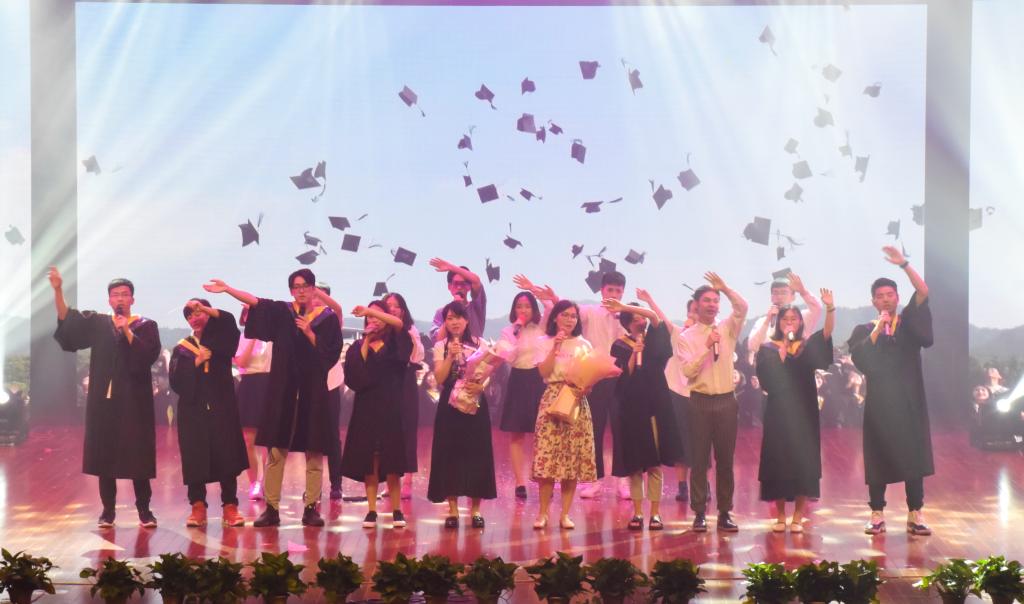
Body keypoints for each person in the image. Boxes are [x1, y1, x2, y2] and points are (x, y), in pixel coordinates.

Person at [203, 269, 343, 527]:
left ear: (313, 289)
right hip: (283, 390)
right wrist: (228, 289)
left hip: (313, 392)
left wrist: (310, 334)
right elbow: (256, 302)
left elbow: (330, 355)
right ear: (291, 290)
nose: (301, 291)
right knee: (276, 451)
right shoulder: (283, 313)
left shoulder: (328, 320)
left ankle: (311, 508)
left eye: (306, 286)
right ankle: (272, 508)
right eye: (296, 286)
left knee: (314, 451)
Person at [49, 268, 161, 528]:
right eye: (115, 294)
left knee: (138, 454)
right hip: (104, 401)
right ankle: (108, 511)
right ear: (109, 300)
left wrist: (127, 331)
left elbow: (147, 357)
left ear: (132, 299)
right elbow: (67, 321)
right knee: (105, 453)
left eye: (125, 294)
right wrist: (58, 290)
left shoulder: (147, 326)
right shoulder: (99, 323)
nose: (120, 298)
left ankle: (144, 510)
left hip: (135, 401)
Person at [848, 246, 934, 536]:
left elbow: (923, 290)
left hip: (910, 402)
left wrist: (904, 264)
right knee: (878, 457)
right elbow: (860, 359)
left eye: (890, 295)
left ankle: (915, 513)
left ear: (897, 297)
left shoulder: (908, 323)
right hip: (880, 405)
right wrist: (878, 329)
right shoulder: (863, 330)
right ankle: (876, 514)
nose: (885, 299)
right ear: (873, 301)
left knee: (913, 457)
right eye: (880, 296)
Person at [520, 272, 628, 499]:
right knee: (595, 428)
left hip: (620, 378)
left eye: (618, 291)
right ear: (602, 291)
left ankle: (623, 480)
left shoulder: (625, 316)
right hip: (593, 378)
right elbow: (569, 313)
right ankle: (595, 481)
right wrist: (550, 296)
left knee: (621, 428)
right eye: (610, 290)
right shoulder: (590, 311)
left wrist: (625, 315)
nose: (614, 294)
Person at [604, 290, 686, 531]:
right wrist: (634, 353)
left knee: (654, 463)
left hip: (655, 406)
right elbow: (623, 374)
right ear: (628, 323)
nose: (642, 320)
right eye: (636, 318)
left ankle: (656, 514)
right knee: (635, 463)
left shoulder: (655, 339)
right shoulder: (620, 345)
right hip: (631, 408)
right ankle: (638, 512)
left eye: (642, 317)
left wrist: (629, 306)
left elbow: (654, 316)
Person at [755, 289, 835, 533]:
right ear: (778, 323)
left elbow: (826, 335)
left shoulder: (807, 346)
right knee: (778, 460)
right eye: (785, 319)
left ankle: (798, 517)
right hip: (778, 413)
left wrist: (830, 309)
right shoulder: (768, 349)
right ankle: (780, 516)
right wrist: (781, 354)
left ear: (801, 322)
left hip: (804, 413)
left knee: (803, 461)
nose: (789, 323)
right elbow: (766, 382)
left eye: (794, 319)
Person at [677, 271, 748, 532]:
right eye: (707, 300)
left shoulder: (727, 327)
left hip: (726, 401)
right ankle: (699, 513)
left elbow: (743, 307)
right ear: (696, 305)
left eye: (715, 301)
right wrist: (706, 346)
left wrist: (725, 288)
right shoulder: (686, 337)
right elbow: (688, 371)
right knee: (698, 459)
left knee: (725, 460)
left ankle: (725, 512)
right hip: (699, 402)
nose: (712, 305)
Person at [531, 300, 611, 530]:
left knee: (572, 459)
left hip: (576, 400)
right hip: (552, 397)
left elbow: (591, 375)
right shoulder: (543, 341)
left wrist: (587, 386)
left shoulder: (583, 344)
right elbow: (544, 372)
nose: (569, 319)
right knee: (547, 457)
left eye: (573, 316)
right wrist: (555, 347)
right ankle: (542, 513)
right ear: (555, 317)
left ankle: (565, 514)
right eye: (565, 315)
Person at [169, 299, 248, 528]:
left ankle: (230, 505)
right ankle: (198, 505)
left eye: (199, 312)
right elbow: (176, 381)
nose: (195, 317)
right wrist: (197, 361)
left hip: (222, 407)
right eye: (190, 315)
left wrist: (205, 308)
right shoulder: (182, 348)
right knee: (195, 456)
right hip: (193, 410)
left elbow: (230, 323)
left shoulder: (221, 341)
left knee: (226, 454)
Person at [340, 301, 412, 529]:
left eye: (378, 316)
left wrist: (370, 310)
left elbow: (399, 324)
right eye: (369, 317)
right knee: (370, 461)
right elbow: (354, 377)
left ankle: (397, 509)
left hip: (391, 408)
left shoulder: (395, 343)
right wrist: (365, 341)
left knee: (392, 462)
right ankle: (371, 510)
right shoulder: (357, 346)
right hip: (366, 409)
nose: (373, 320)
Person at [428, 301, 498, 528]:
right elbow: (440, 378)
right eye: (449, 318)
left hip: (474, 401)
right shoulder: (441, 346)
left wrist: (481, 385)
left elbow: (488, 374)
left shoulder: (480, 344)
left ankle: (476, 510)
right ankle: (453, 510)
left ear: (466, 320)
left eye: (458, 317)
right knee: (450, 454)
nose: (454, 322)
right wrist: (450, 356)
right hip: (450, 405)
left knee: (477, 454)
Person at [498, 286, 551, 499]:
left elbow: (551, 307)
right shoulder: (508, 331)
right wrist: (516, 331)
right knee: (517, 433)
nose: (523, 310)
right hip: (518, 379)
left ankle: (542, 476)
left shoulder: (543, 326)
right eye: (519, 306)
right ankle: (520, 482)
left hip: (539, 379)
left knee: (543, 432)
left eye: (527, 306)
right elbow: (508, 356)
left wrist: (532, 289)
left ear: (534, 309)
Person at [385, 292, 425, 499]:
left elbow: (417, 357)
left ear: (403, 310)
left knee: (407, 432)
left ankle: (407, 481)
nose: (392, 309)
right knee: (388, 433)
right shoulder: (382, 330)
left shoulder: (410, 330)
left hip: (406, 383)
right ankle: (391, 481)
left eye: (396, 305)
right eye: (388, 305)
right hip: (387, 384)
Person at [233, 304, 272, 500]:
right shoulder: (241, 338)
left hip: (269, 384)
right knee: (249, 439)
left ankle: (266, 482)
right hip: (249, 384)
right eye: (250, 315)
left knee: (268, 439)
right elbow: (242, 362)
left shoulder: (273, 339)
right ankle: (254, 483)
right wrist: (253, 338)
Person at [312, 283, 346, 501]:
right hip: (310, 383)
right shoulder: (304, 317)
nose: (315, 299)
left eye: (320, 296)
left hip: (331, 382)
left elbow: (339, 309)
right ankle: (313, 486)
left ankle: (336, 484)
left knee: (332, 435)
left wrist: (317, 291)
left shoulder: (332, 319)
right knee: (311, 436)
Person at [664, 299, 699, 502]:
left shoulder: (710, 336)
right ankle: (682, 486)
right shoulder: (678, 333)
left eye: (698, 311)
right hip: (677, 392)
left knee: (701, 442)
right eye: (692, 311)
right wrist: (649, 300)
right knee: (680, 441)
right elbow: (663, 320)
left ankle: (701, 484)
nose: (694, 315)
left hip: (699, 393)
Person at [746, 273, 822, 365]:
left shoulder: (801, 318)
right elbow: (752, 347)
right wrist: (767, 321)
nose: (779, 297)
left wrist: (803, 291)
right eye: (775, 293)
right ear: (771, 297)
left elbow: (817, 308)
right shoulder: (762, 321)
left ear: (793, 297)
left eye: (784, 292)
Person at [428, 258, 487, 341]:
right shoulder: (441, 312)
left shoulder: (476, 307)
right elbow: (437, 340)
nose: (459, 287)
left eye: (463, 284)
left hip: (476, 349)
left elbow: (476, 281)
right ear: (449, 287)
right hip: (451, 349)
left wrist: (450, 267)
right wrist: (451, 311)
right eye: (456, 284)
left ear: (469, 286)